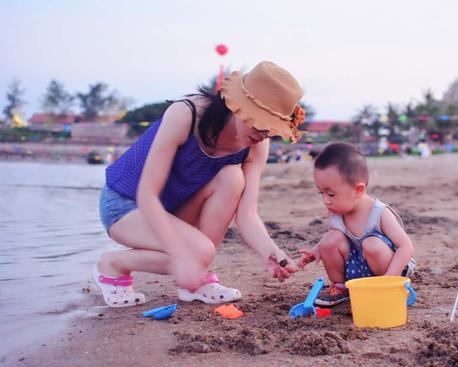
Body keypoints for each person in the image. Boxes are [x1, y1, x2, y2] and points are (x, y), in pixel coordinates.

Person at [95, 61, 304, 307]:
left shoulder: (256, 147)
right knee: (199, 252)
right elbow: (147, 195)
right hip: (125, 204)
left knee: (232, 177)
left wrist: (270, 252)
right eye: (258, 123)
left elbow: (247, 215)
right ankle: (113, 264)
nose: (261, 135)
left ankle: (195, 279)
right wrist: (182, 254)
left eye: (270, 131)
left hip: (173, 208)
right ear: (238, 106)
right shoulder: (186, 115)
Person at [299, 142, 416, 306]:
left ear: (358, 190)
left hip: (388, 269)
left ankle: (382, 288)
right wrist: (316, 250)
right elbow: (335, 238)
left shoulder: (379, 213)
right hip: (356, 268)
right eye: (321, 192)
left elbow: (406, 247)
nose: (325, 200)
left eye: (331, 194)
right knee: (330, 238)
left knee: (372, 243)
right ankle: (341, 288)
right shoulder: (336, 211)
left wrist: (390, 278)